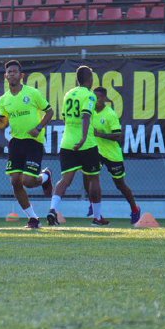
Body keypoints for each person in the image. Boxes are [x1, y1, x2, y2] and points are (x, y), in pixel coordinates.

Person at [0, 60, 54, 229]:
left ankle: (45, 177)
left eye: (14, 71)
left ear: (21, 75)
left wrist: (39, 127)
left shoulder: (32, 93)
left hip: (33, 142)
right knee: (15, 181)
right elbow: (3, 122)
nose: (12, 74)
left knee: (27, 180)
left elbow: (50, 111)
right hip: (16, 142)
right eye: (9, 72)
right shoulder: (4, 99)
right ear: (5, 76)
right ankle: (33, 219)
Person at [47, 65, 108, 226]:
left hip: (67, 143)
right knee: (94, 179)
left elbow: (66, 119)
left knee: (65, 180)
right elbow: (86, 116)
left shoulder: (68, 94)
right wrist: (82, 138)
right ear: (90, 79)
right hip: (86, 144)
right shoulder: (90, 96)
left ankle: (52, 209)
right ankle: (97, 217)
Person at [89, 86, 141, 224]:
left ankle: (135, 209)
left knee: (120, 185)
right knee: (91, 177)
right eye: (94, 98)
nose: (96, 101)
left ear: (105, 99)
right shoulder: (90, 112)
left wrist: (100, 134)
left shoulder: (110, 114)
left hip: (112, 154)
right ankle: (93, 205)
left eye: (99, 98)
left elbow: (118, 136)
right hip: (97, 152)